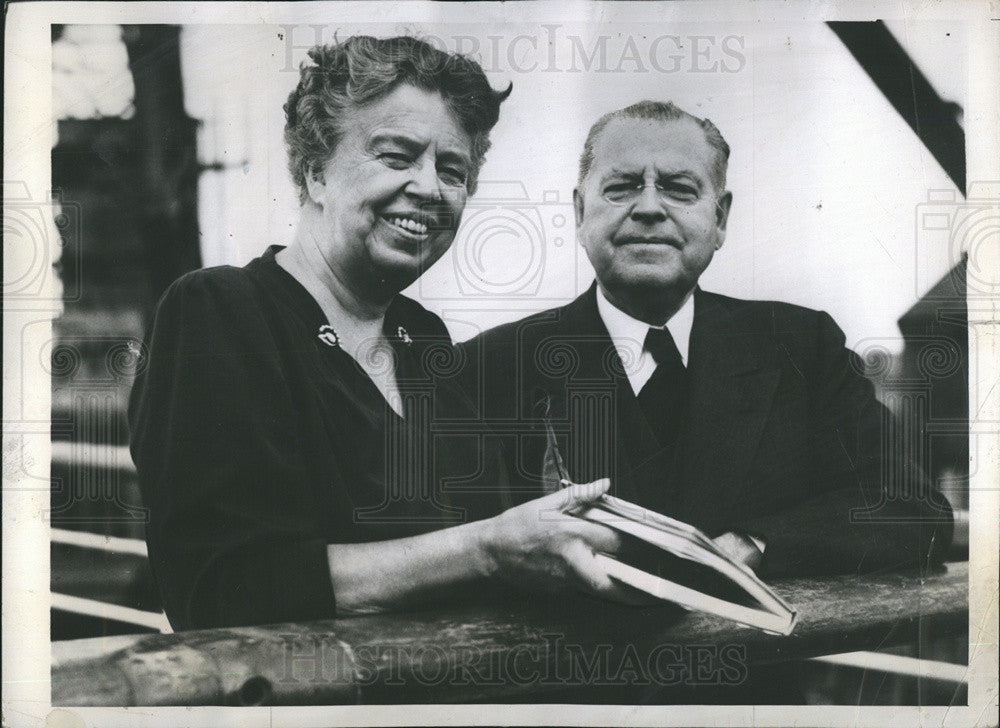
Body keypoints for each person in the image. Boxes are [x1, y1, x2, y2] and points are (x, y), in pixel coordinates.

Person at [129, 37, 642, 632]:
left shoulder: (423, 338)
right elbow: (221, 591)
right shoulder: (219, 311)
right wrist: (488, 550)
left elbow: (490, 531)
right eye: (397, 157)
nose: (430, 188)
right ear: (315, 171)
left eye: (453, 170)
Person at [461, 100, 953, 580]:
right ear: (578, 210)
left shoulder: (802, 348)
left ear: (720, 220)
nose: (649, 207)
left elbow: (912, 510)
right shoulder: (490, 366)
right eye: (621, 187)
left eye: (679, 189)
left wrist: (752, 546)